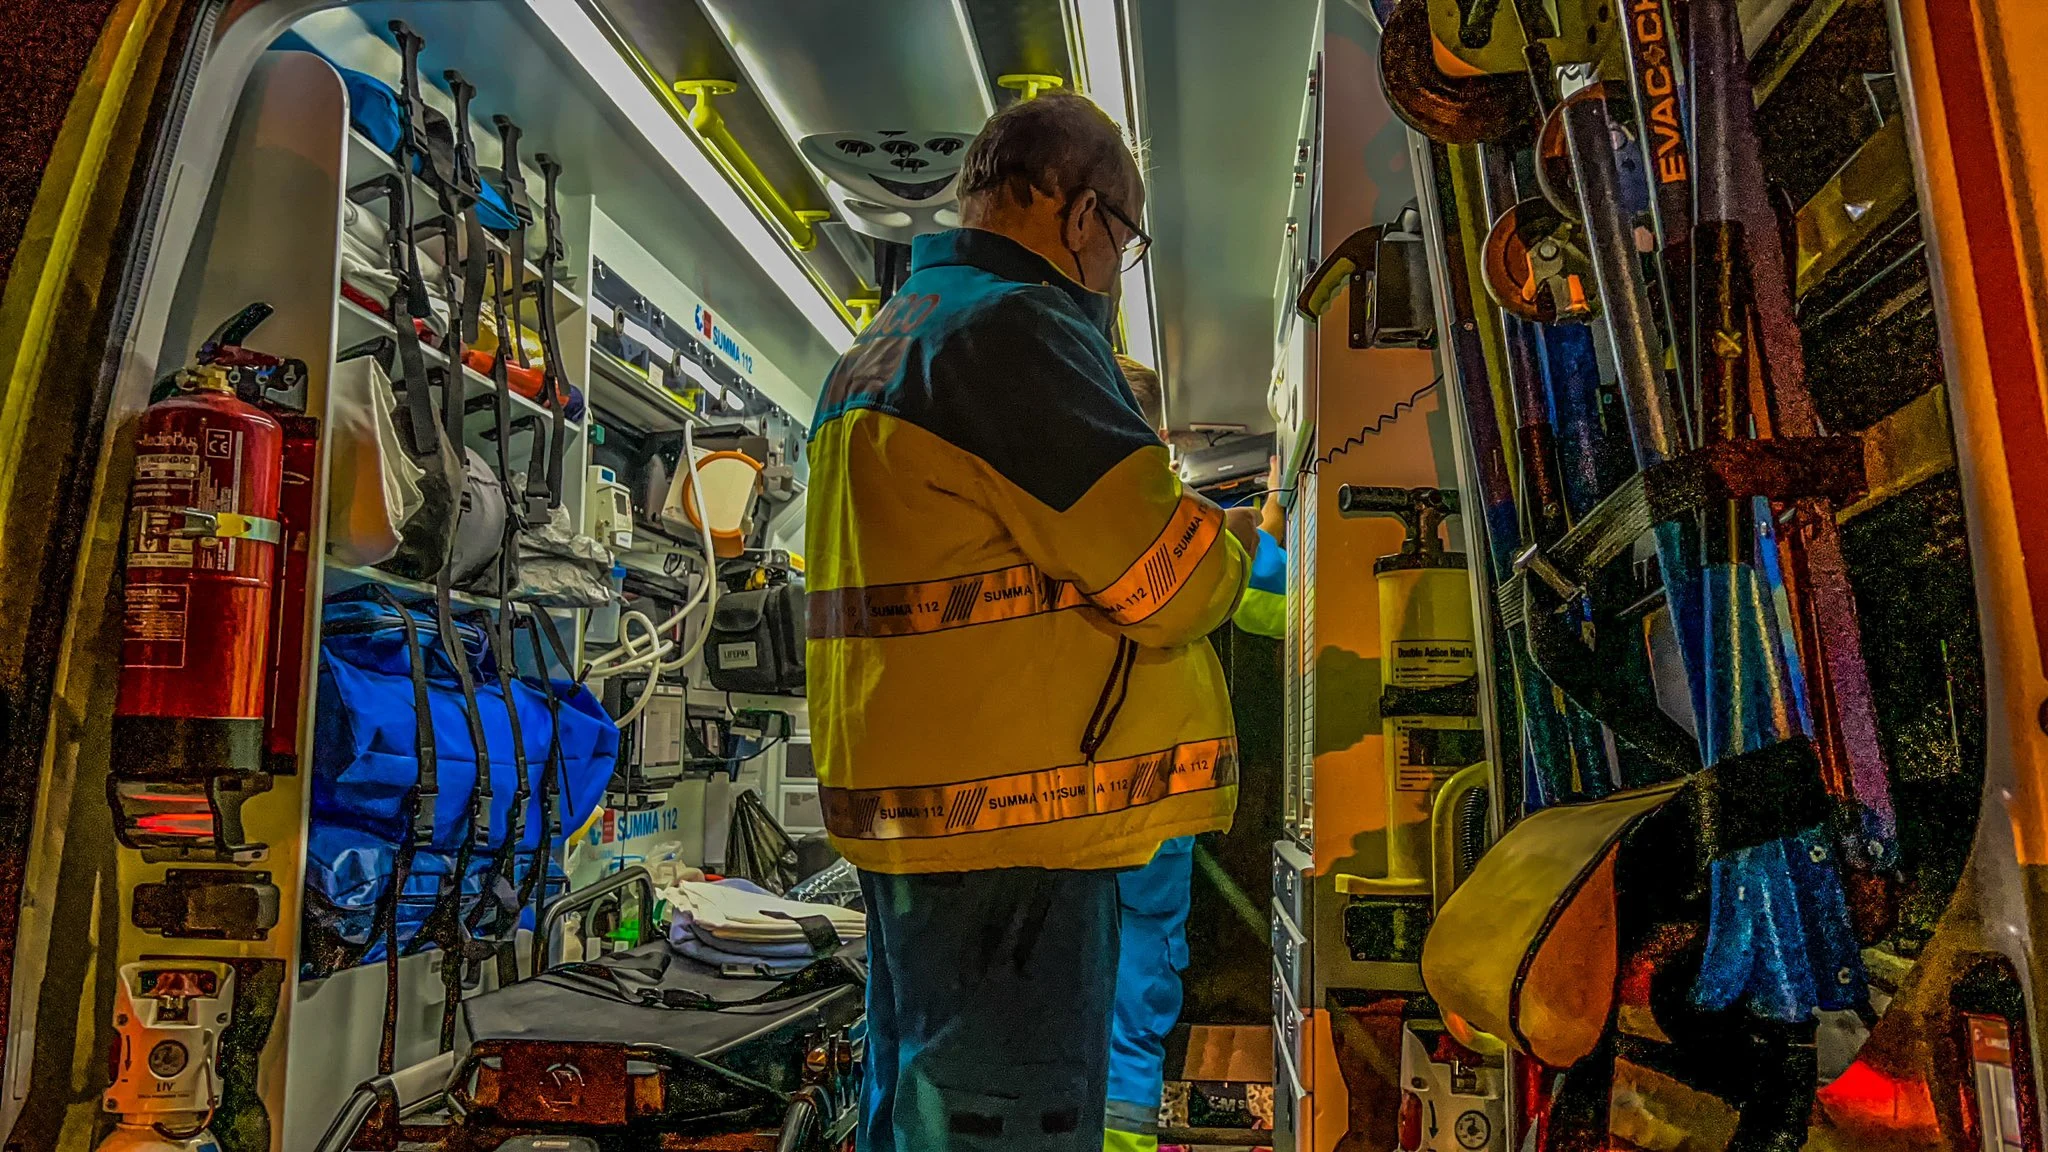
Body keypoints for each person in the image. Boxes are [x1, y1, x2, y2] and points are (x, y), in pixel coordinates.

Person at [806, 90, 1256, 1152]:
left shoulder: (888, 344)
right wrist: (1227, 537)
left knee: (921, 1112)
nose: (1113, 265)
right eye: (1125, 236)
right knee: (1003, 1121)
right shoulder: (1014, 331)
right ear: (1078, 212)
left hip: (931, 836)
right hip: (1018, 850)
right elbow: (1167, 579)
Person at [1101, 356, 1285, 1152]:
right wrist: (1263, 522)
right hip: (1154, 829)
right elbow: (1274, 604)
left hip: (1061, 830)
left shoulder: (1056, 525)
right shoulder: (1190, 534)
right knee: (1129, 1038)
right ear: (1162, 447)